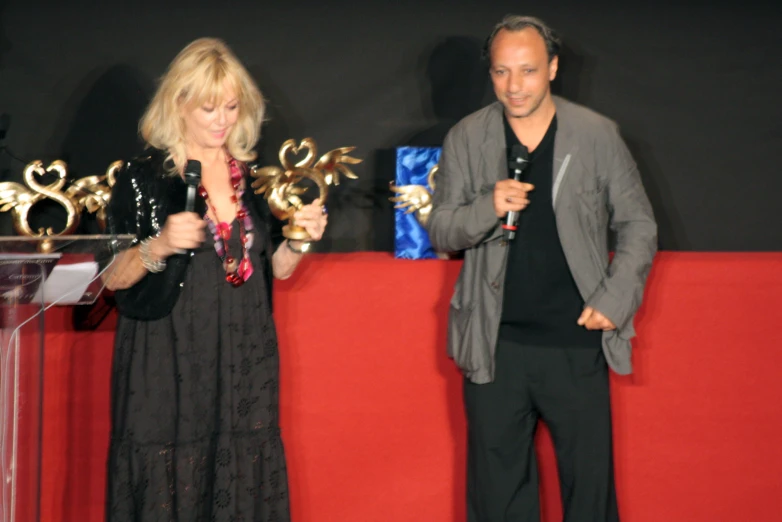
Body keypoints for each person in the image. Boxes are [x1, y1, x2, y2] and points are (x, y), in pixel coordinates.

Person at [425, 15, 657, 522]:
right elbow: (442, 232)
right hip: (493, 347)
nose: (514, 87)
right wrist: (487, 206)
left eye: (527, 71)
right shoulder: (467, 137)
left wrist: (616, 300)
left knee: (590, 495)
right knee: (498, 499)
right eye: (502, 72)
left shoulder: (596, 135)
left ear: (552, 68)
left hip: (576, 344)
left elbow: (639, 224)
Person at [104, 37, 326, 522]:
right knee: (169, 475)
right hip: (168, 353)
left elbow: (272, 272)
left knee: (241, 469)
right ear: (179, 104)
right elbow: (113, 278)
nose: (223, 119)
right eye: (209, 108)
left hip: (243, 355)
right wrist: (158, 246)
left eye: (232, 106)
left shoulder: (246, 177)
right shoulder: (142, 178)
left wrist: (301, 240)